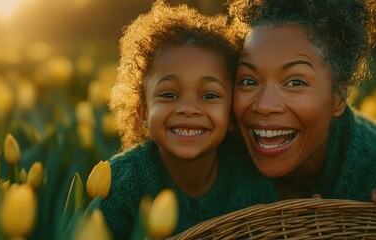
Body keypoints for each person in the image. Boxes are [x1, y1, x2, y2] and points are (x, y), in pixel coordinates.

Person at [99, 1, 276, 238]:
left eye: (209, 95)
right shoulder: (121, 184)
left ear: (231, 110)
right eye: (169, 94)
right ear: (143, 112)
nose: (189, 109)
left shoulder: (250, 169)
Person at [228, 0, 376, 201]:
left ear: (339, 98)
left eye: (295, 82)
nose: (264, 105)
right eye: (248, 81)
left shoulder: (369, 171)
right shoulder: (212, 156)